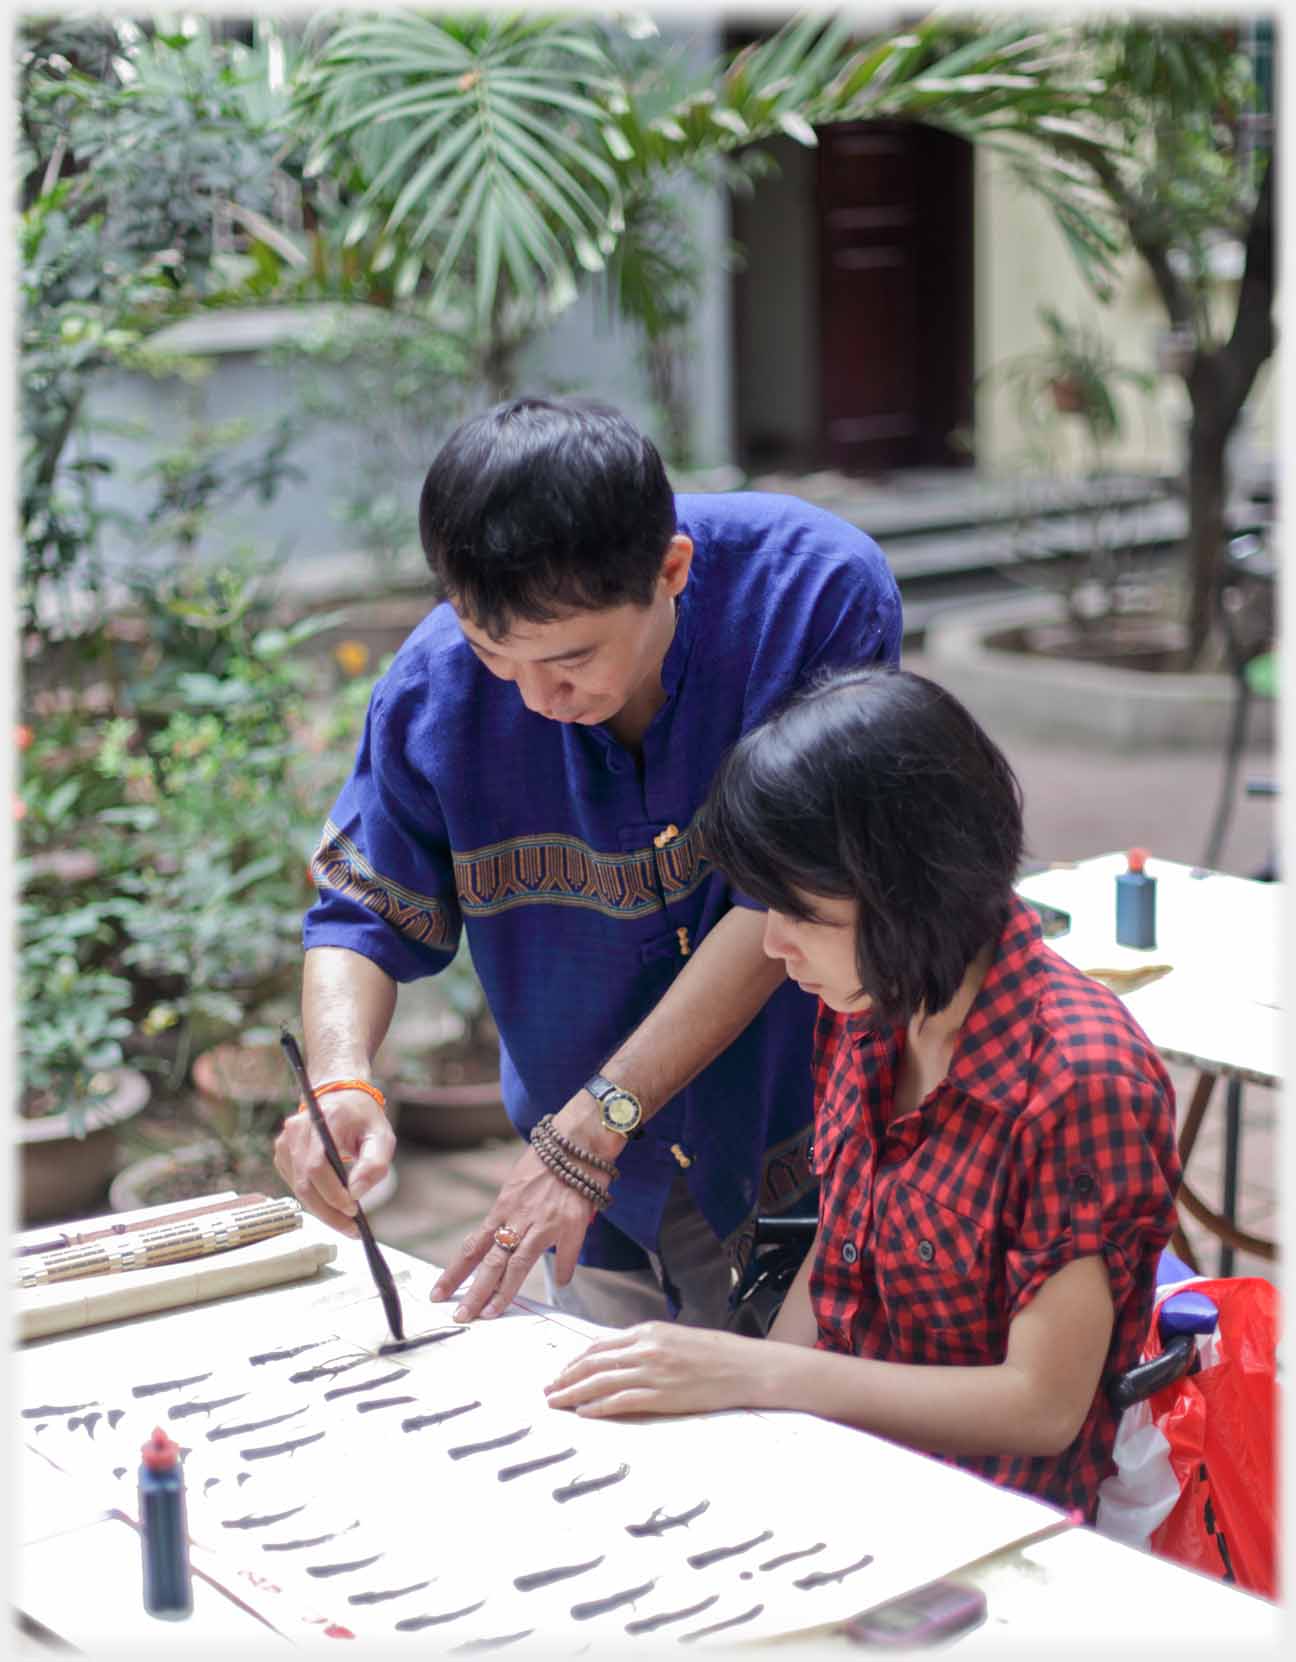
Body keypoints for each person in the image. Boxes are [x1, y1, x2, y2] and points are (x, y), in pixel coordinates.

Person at [273, 396, 901, 1330]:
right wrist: (338, 1076)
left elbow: (786, 898)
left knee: (817, 1433)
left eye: (570, 659)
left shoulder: (811, 597)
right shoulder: (432, 691)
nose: (535, 698)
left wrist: (591, 1128)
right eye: (495, 655)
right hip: (594, 1200)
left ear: (671, 570)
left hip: (815, 1140)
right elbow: (359, 912)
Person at [544, 667, 1182, 1523]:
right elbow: (841, 1246)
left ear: (913, 892)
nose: (774, 945)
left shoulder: (1078, 1077)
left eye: (803, 915)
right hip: (841, 1473)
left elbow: (1043, 1405)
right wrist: (753, 1421)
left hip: (989, 1527)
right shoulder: (873, 1004)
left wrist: (750, 1373)